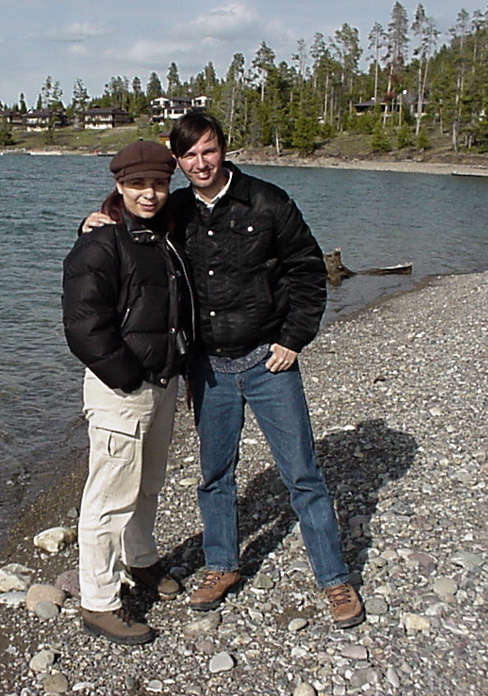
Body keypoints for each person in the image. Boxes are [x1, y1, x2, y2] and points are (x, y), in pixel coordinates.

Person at [83, 113, 364, 629]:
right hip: (207, 367)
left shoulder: (268, 201)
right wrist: (96, 217)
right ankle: (221, 566)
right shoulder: (176, 210)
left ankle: (335, 579)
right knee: (215, 476)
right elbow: (132, 229)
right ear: (179, 161)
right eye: (188, 157)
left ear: (223, 149)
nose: (200, 164)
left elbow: (307, 270)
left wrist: (293, 338)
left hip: (267, 360)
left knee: (302, 473)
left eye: (207, 151)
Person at [62, 140, 195, 644]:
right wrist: (127, 377)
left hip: (161, 382)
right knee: (108, 497)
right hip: (123, 388)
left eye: (159, 183)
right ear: (120, 186)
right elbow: (83, 326)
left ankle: (140, 559)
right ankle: (98, 602)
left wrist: (167, 373)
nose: (150, 193)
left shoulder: (164, 236)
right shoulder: (101, 242)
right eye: (138, 184)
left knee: (148, 484)